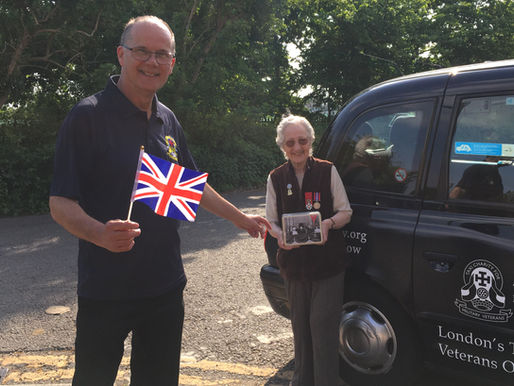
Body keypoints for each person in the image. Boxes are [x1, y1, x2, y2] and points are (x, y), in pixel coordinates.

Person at [49, 15, 269, 386]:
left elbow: (190, 186)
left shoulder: (168, 119)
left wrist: (241, 218)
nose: (152, 62)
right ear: (121, 54)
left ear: (172, 63)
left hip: (165, 287)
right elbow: (60, 203)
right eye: (142, 52)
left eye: (161, 54)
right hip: (106, 290)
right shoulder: (87, 116)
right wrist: (100, 233)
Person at [265, 114, 352, 385]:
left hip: (327, 266)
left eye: (302, 141)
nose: (297, 147)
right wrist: (279, 236)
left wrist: (328, 223)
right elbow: (271, 221)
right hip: (293, 267)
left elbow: (346, 212)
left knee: (322, 329)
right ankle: (301, 381)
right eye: (290, 142)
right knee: (300, 330)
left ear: (311, 141)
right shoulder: (276, 177)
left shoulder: (328, 170)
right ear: (283, 146)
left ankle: (326, 381)